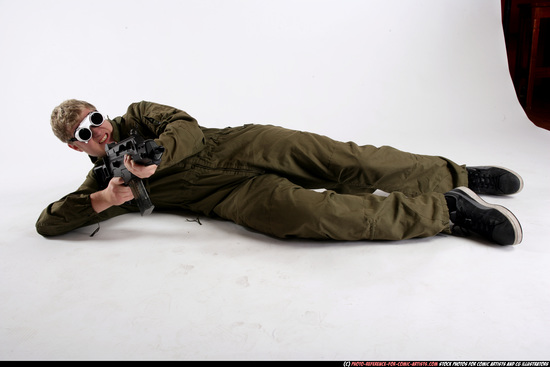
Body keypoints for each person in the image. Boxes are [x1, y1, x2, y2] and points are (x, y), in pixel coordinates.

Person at [36, 100, 524, 245]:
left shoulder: (140, 114)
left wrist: (157, 153)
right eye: (83, 134)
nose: (96, 133)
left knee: (353, 162)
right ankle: (448, 211)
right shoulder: (103, 180)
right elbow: (48, 222)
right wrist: (104, 200)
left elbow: (185, 126)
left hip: (244, 143)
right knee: (316, 216)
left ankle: (457, 174)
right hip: (228, 197)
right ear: (74, 147)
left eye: (94, 120)